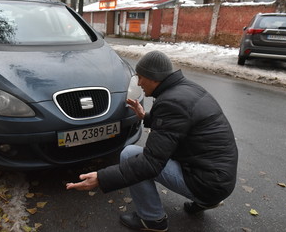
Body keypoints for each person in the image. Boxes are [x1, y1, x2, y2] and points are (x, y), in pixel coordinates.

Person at [66, 50, 238, 232]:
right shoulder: (186, 89)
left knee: (130, 155)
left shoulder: (172, 102)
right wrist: (144, 116)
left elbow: (150, 164)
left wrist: (102, 178)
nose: (139, 83)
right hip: (220, 177)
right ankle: (206, 201)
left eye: (141, 78)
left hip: (208, 184)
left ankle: (152, 219)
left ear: (154, 78)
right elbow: (176, 126)